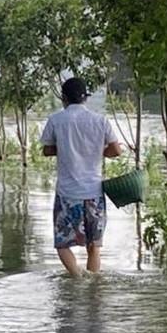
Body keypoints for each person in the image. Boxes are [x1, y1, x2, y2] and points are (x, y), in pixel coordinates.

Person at [40, 77, 123, 276]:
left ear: (64, 98)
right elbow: (116, 151)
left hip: (67, 193)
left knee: (62, 244)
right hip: (94, 193)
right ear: (85, 98)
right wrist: (96, 151)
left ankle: (77, 278)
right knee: (94, 246)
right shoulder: (100, 121)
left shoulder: (56, 120)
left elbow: (47, 150)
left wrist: (67, 149)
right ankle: (92, 287)